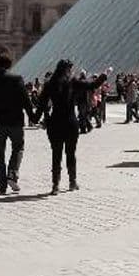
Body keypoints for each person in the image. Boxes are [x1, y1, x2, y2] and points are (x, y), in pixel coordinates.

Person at [35, 60, 107, 193]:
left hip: (55, 122)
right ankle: (72, 182)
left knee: (56, 155)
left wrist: (36, 118)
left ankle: (55, 185)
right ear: (68, 70)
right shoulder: (72, 82)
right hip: (70, 122)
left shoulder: (49, 84)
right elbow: (93, 85)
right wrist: (104, 75)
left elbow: (41, 105)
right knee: (70, 153)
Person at [0, 54, 36, 195]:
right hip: (15, 120)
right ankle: (12, 173)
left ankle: (1, 184)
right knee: (18, 147)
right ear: (10, 65)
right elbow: (26, 100)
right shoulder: (16, 79)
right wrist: (33, 117)